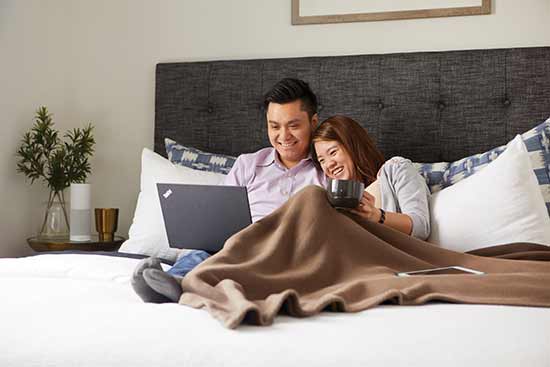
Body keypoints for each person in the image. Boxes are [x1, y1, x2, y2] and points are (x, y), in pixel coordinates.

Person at [132, 78, 327, 303]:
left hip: (286, 256)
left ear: (313, 122)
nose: (283, 136)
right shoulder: (248, 165)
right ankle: (173, 280)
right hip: (237, 248)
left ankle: (185, 286)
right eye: (274, 126)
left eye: (293, 125)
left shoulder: (327, 168)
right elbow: (218, 220)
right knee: (205, 253)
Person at [312, 115, 430, 239]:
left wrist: (377, 216)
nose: (329, 164)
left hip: (393, 255)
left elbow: (421, 227)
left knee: (310, 193)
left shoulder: (395, 169)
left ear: (353, 146)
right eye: (322, 160)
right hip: (348, 255)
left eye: (333, 152)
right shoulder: (333, 200)